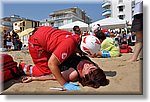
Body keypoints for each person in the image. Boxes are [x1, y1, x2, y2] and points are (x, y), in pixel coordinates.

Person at [20, 54, 109, 89]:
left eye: (88, 70)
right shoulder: (95, 67)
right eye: (92, 66)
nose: (88, 65)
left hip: (51, 63)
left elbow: (54, 76)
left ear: (84, 77)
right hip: (59, 54)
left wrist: (33, 78)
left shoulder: (73, 74)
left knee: (24, 68)